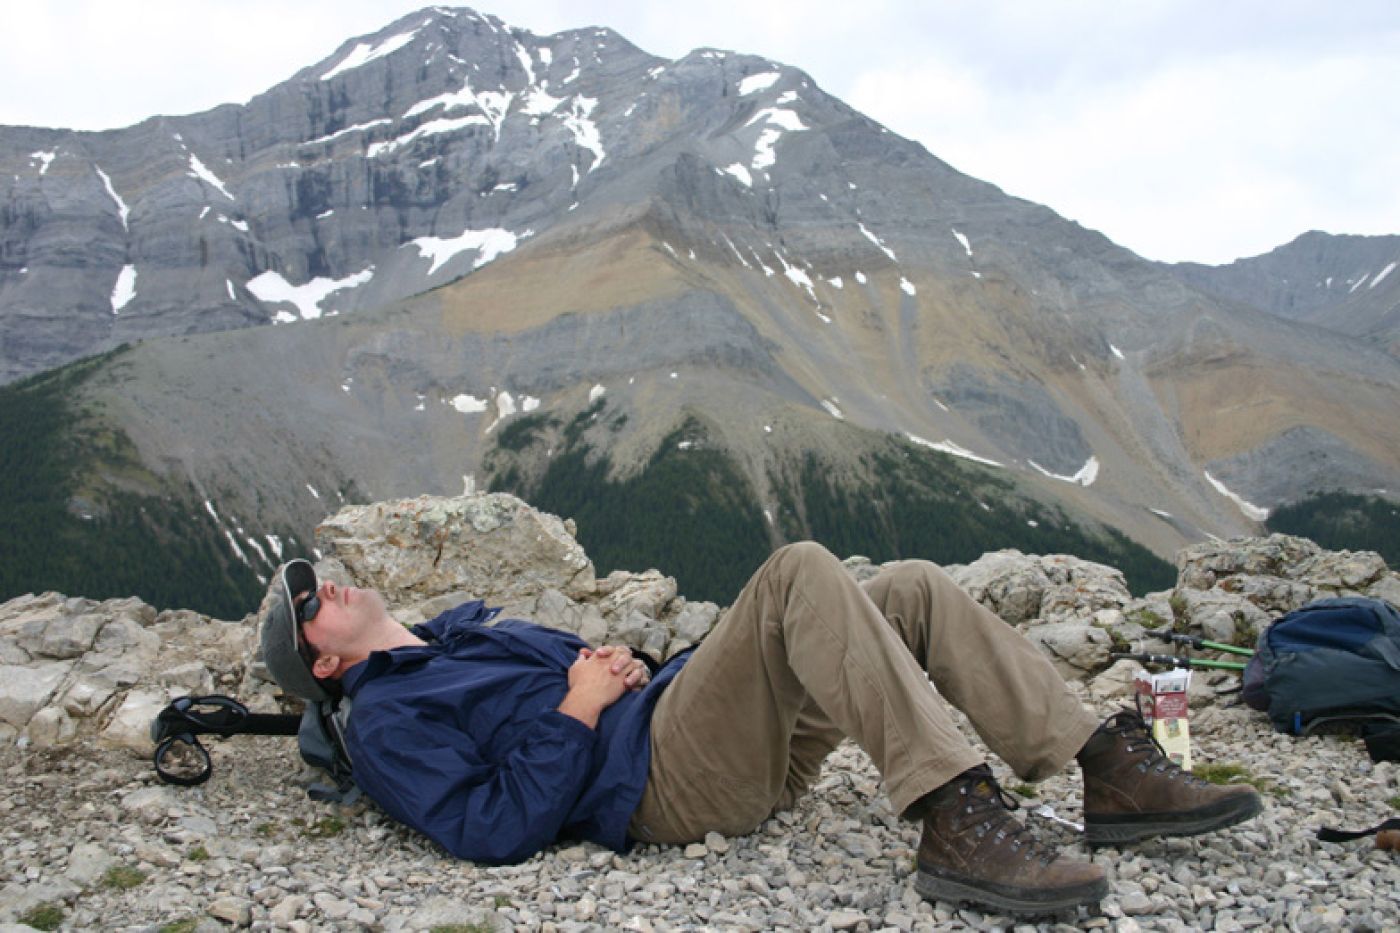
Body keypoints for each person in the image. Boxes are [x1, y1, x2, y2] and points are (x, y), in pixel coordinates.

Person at [260, 542, 1261, 916]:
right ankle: (953, 815)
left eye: (311, 573)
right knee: (794, 572)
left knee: (907, 588)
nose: (323, 581)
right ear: (323, 664)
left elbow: (594, 677)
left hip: (696, 730)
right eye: (307, 602)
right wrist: (579, 704)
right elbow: (488, 828)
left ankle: (1102, 767)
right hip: (663, 782)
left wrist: (617, 669)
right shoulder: (388, 716)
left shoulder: (459, 632)